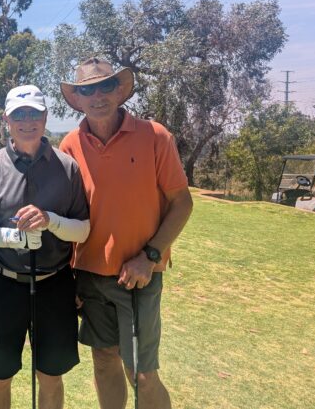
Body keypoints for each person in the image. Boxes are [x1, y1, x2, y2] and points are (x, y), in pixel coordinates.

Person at [58, 57, 193, 409]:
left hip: (140, 276)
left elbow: (182, 202)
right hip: (89, 277)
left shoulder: (154, 136)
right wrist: (68, 277)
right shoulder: (69, 145)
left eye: (105, 86)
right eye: (88, 89)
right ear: (78, 98)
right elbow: (67, 216)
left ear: (119, 90)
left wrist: (150, 256)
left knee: (142, 375)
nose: (97, 96)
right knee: (104, 361)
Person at [0, 85, 90, 409]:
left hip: (54, 285)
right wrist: (14, 238)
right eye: (19, 115)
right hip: (3, 284)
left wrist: (51, 220)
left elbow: (83, 231)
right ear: (6, 120)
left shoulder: (67, 167)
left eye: (34, 113)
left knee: (50, 375)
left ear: (45, 117)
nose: (27, 121)